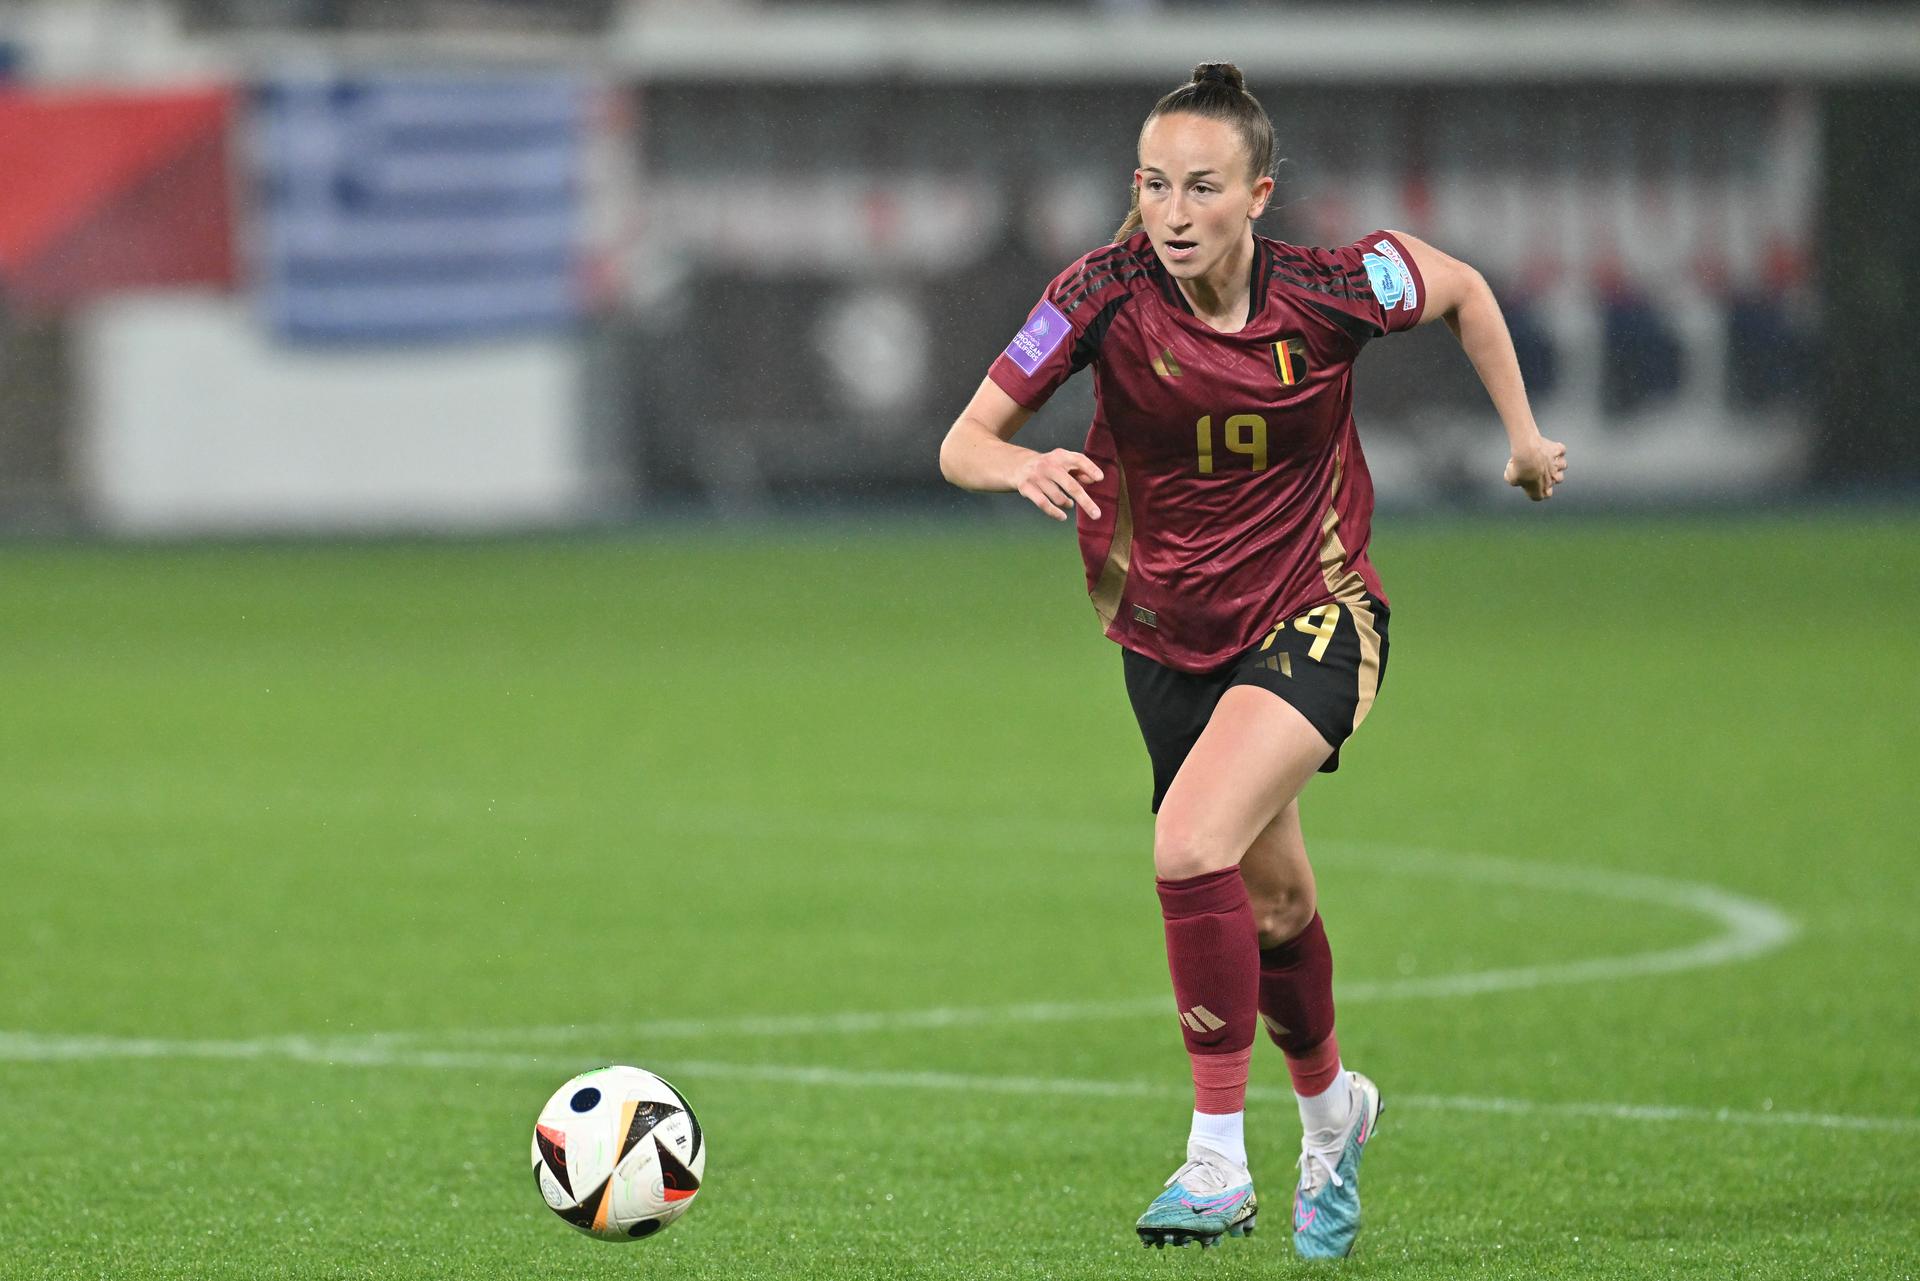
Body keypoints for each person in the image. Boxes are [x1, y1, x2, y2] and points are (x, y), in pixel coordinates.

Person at [938, 63, 1566, 1258]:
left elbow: (1466, 290)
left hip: (1316, 613)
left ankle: (1215, 1159)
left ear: (1258, 195)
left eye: (1202, 187)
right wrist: (1021, 464)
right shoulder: (1097, 294)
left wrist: (1526, 440)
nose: (1172, 212)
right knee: (1271, 902)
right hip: (1167, 636)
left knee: (1188, 846)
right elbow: (963, 440)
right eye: (1153, 185)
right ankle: (1334, 1116)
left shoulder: (1333, 289)